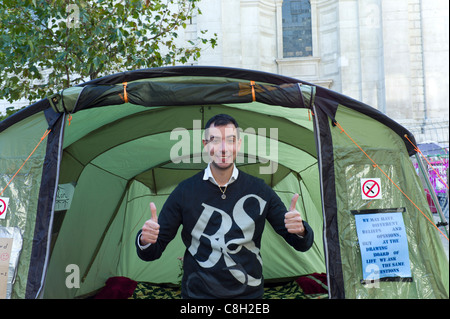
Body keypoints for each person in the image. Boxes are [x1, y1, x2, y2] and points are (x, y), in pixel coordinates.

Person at [136, 114, 314, 299]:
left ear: (238, 144)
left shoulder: (260, 190)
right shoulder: (184, 191)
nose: (223, 148)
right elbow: (150, 253)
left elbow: (302, 244)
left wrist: (300, 230)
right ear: (205, 144)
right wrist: (145, 240)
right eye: (215, 140)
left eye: (230, 140)